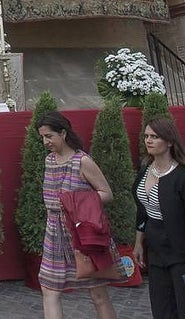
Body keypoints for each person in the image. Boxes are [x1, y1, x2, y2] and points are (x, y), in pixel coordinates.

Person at [36, 110, 119, 319]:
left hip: (82, 233)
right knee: (49, 288)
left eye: (49, 136)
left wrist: (76, 202)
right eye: (42, 137)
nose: (45, 142)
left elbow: (107, 193)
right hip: (54, 233)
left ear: (63, 134)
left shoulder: (82, 161)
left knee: (97, 291)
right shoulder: (50, 161)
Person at [133, 117, 185, 319]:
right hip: (157, 251)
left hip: (183, 253)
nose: (148, 141)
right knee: (162, 311)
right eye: (146, 136)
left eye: (155, 137)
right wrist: (138, 243)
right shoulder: (144, 171)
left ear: (169, 142)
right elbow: (142, 210)